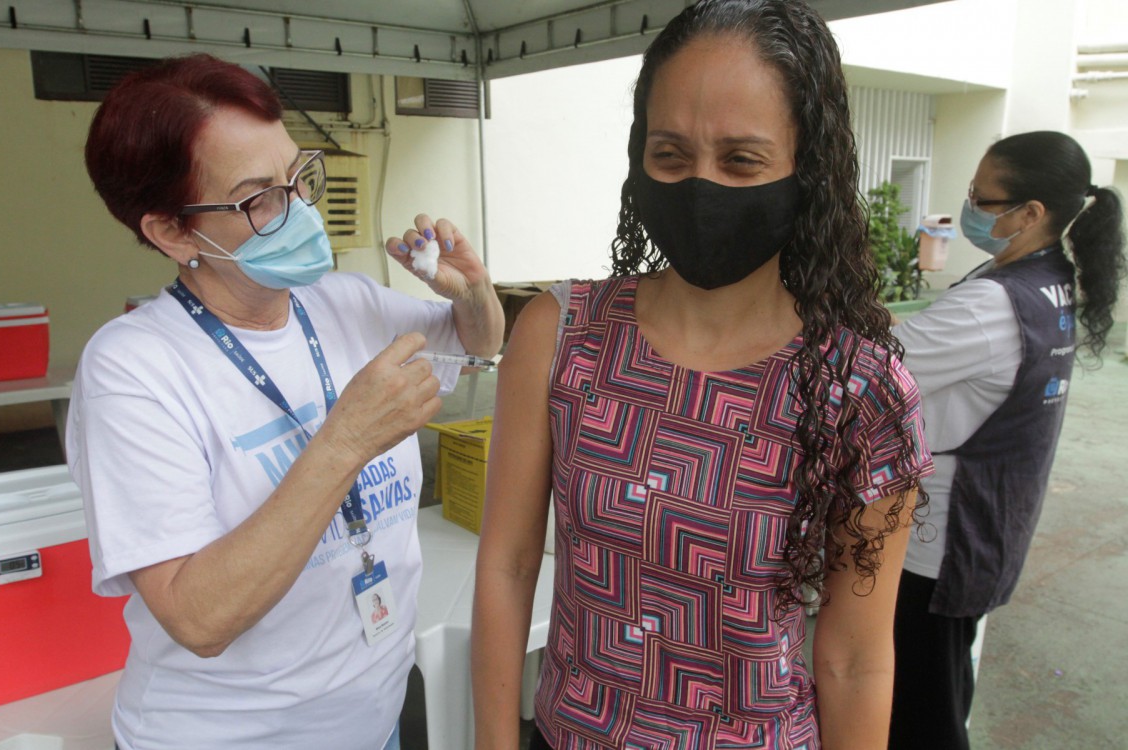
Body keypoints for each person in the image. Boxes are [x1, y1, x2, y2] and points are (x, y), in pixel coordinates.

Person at [471, 1, 933, 748]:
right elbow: (508, 564)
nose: (699, 185)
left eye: (741, 159)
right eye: (671, 155)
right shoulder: (560, 337)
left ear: (806, 166)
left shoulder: (861, 391)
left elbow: (854, 659)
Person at [68, 53, 503, 750]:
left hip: (373, 722)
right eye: (258, 197)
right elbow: (198, 619)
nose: (302, 209)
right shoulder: (134, 368)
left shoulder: (345, 301)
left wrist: (473, 291)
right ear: (173, 231)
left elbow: (475, 340)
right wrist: (346, 441)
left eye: (299, 176)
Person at [889, 131, 1126, 750]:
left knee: (921, 708)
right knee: (942, 684)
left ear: (1030, 214)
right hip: (994, 521)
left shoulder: (993, 305)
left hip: (941, 541)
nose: (968, 205)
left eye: (982, 198)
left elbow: (877, 368)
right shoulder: (1047, 281)